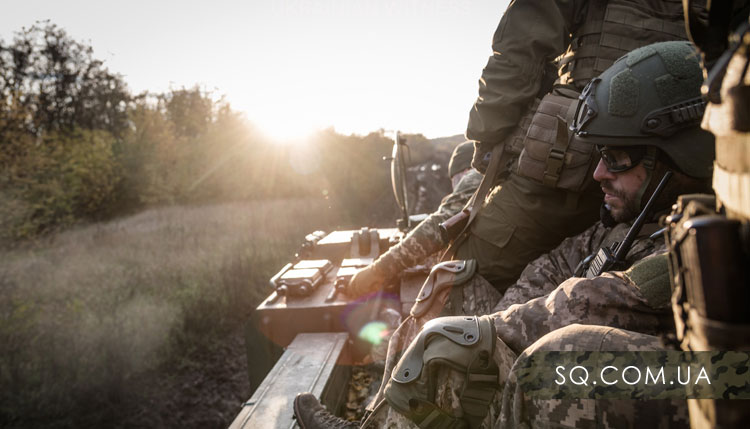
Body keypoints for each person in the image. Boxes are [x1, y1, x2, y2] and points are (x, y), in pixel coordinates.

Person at [292, 41, 715, 429]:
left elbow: (596, 300)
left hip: (713, 381)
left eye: (619, 157)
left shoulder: (703, 238)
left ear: (683, 156)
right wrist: (482, 329)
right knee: (452, 296)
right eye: (601, 155)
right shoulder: (630, 223)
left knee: (552, 359)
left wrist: (487, 335)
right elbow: (554, 267)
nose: (599, 173)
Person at [347, 141, 482, 297]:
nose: (455, 187)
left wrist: (378, 270)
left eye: (455, 179)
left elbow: (438, 228)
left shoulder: (475, 176)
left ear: (466, 170)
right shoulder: (490, 183)